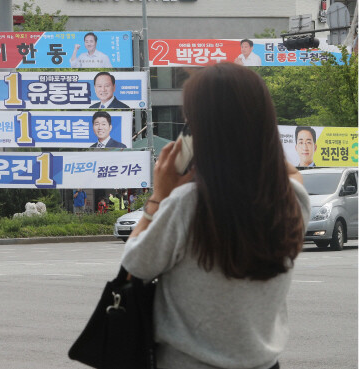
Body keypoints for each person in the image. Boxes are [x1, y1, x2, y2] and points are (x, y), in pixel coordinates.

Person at [121, 63, 309, 369]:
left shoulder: (185, 203)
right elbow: (285, 170)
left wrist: (158, 197)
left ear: (198, 131)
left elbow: (134, 266)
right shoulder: (292, 197)